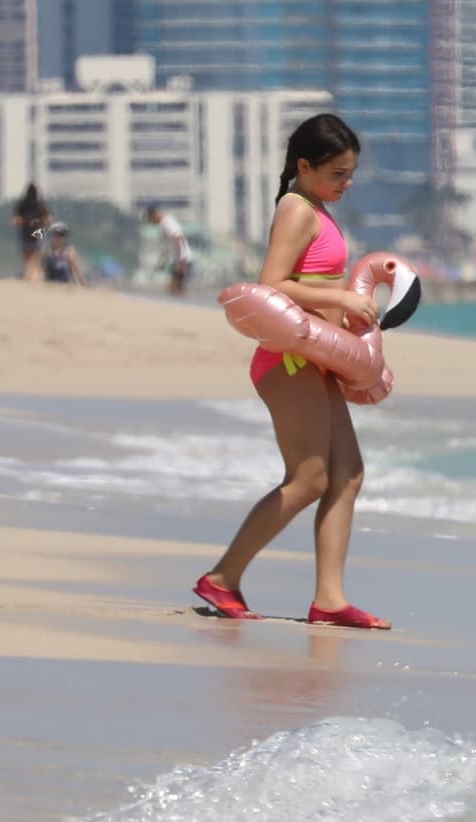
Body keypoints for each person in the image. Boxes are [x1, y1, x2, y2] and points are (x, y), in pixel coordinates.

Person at [192, 113, 390, 629]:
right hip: (288, 361)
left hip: (318, 360)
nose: (346, 184)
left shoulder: (318, 208)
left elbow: (310, 280)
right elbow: (272, 284)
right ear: (304, 166)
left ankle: (329, 599)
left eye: (351, 174)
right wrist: (341, 296)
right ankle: (223, 577)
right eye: (337, 174)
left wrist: (344, 314)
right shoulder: (296, 208)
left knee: (348, 474)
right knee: (309, 478)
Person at [145, 205, 193, 296]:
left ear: (154, 215)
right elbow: (168, 244)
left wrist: (181, 257)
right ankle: (183, 303)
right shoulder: (164, 223)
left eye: (151, 220)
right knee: (176, 286)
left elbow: (178, 237)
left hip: (181, 258)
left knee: (175, 286)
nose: (152, 223)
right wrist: (164, 260)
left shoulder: (167, 222)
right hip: (177, 258)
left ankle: (185, 303)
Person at [12, 183, 51, 283]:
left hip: (25, 234)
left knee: (28, 259)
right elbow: (48, 221)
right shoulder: (40, 205)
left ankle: (29, 276)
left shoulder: (22, 204)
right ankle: (32, 277)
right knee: (35, 258)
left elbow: (15, 220)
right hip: (38, 233)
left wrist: (25, 222)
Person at [40, 222, 87, 287]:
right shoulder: (46, 251)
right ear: (52, 235)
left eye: (61, 235)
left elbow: (77, 271)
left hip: (65, 287)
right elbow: (41, 270)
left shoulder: (69, 252)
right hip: (49, 286)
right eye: (56, 234)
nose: (59, 237)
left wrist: (83, 285)